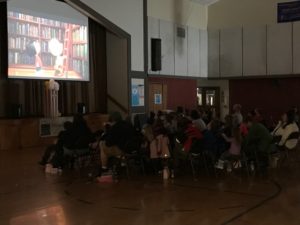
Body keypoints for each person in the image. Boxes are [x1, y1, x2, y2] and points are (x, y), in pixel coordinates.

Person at [97, 112, 137, 178]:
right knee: (116, 145)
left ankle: (104, 167)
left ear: (112, 120)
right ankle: (122, 163)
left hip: (123, 151)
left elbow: (108, 143)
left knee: (102, 144)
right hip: (132, 148)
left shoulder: (115, 127)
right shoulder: (129, 124)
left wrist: (108, 130)